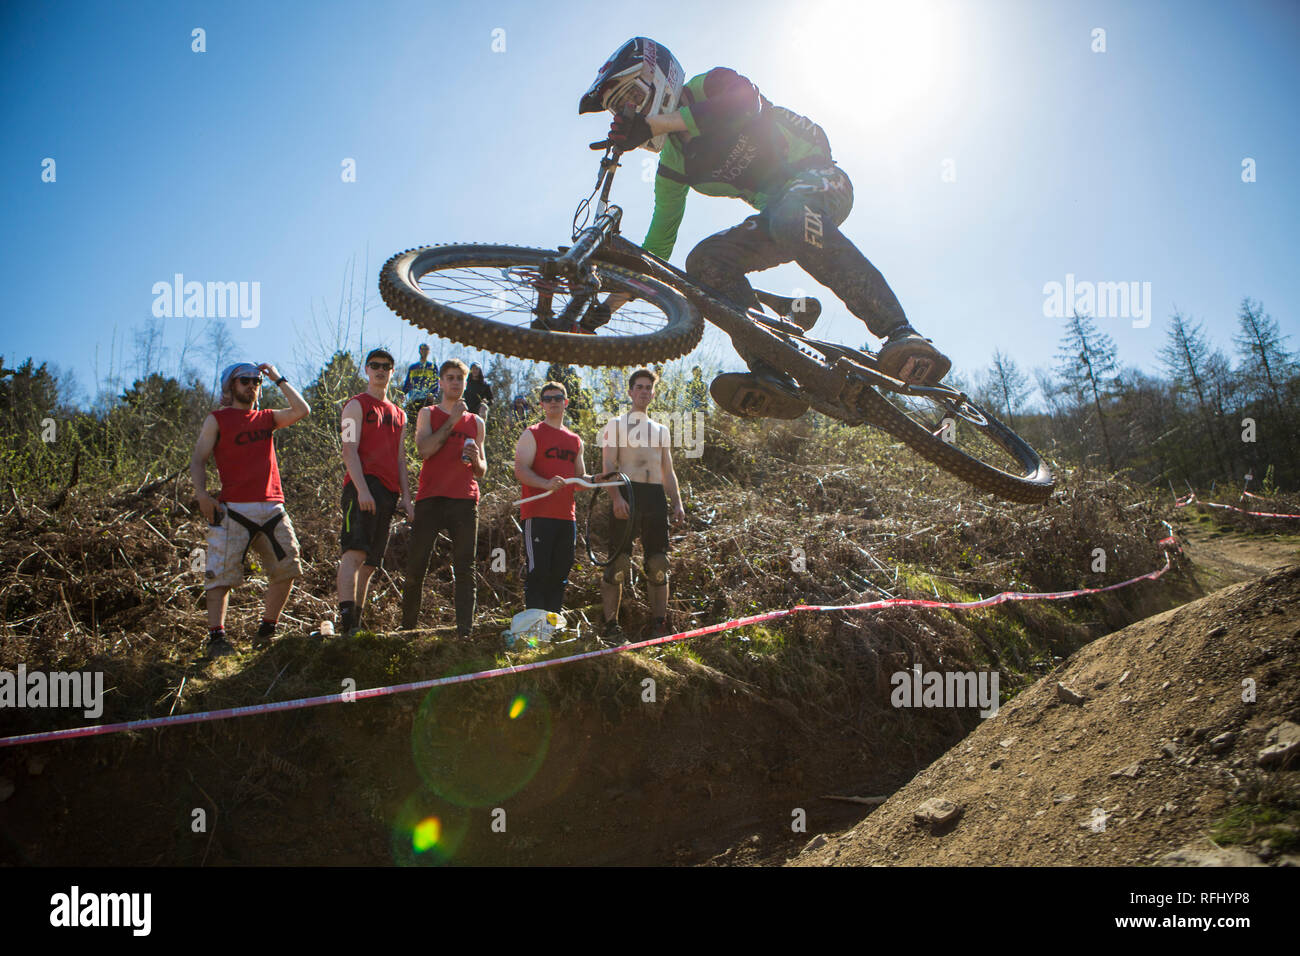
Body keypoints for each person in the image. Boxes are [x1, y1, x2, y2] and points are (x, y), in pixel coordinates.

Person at [579, 38, 952, 414]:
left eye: (630, 100)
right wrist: (607, 308)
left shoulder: (708, 87)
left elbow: (743, 104)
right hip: (778, 216)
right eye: (619, 110)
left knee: (790, 216)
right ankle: (771, 368)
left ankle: (901, 332)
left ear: (658, 82)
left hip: (819, 180)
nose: (626, 114)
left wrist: (652, 124)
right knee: (705, 260)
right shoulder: (674, 165)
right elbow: (657, 248)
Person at [190, 361, 310, 657]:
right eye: (245, 380)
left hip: (272, 508)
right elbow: (198, 459)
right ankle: (217, 638)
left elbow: (302, 410)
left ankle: (266, 631)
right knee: (220, 575)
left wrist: (278, 378)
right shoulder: (216, 419)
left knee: (288, 567)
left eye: (256, 381)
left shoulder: (267, 417)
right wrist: (202, 495)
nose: (252, 385)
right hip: (233, 511)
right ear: (230, 386)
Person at [596, 368, 686, 643]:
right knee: (618, 563)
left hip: (655, 497)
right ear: (630, 392)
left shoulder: (661, 429)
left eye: (649, 387)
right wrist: (616, 498)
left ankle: (659, 624)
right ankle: (611, 626)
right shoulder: (616, 424)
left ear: (653, 393)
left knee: (658, 562)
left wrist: (678, 503)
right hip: (627, 491)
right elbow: (609, 464)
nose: (644, 391)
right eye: (639, 387)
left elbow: (668, 471)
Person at [401, 359, 486, 638]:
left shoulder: (477, 422)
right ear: (441, 382)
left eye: (459, 379)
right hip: (431, 498)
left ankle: (465, 632)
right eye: (449, 378)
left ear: (464, 383)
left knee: (465, 567)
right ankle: (408, 629)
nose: (455, 383)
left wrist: (476, 461)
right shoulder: (428, 413)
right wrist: (452, 421)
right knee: (416, 564)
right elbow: (424, 450)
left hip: (464, 499)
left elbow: (482, 470)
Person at [337, 348, 414, 638]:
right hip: (361, 487)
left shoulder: (400, 414)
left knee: (370, 565)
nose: (381, 370)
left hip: (389, 492)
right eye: (375, 365)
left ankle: (356, 623)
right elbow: (348, 450)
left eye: (386, 366)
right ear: (366, 370)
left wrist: (406, 497)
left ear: (393, 372)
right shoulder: (354, 405)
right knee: (354, 554)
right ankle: (346, 623)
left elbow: (400, 458)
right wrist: (361, 490)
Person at [513, 381, 587, 614]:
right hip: (538, 515)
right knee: (539, 572)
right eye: (548, 398)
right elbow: (521, 470)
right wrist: (545, 483)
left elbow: (580, 479)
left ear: (566, 402)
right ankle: (534, 630)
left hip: (566, 517)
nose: (553, 402)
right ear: (542, 404)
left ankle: (551, 626)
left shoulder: (575, 440)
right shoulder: (532, 433)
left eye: (558, 398)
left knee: (560, 573)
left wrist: (599, 479)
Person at [401, 344, 439, 412]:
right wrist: (402, 394)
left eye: (426, 349)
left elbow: (436, 382)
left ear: (429, 352)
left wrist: (434, 395)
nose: (424, 351)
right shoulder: (413, 367)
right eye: (422, 349)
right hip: (413, 399)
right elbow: (408, 383)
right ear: (419, 351)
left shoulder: (432, 367)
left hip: (427, 400)